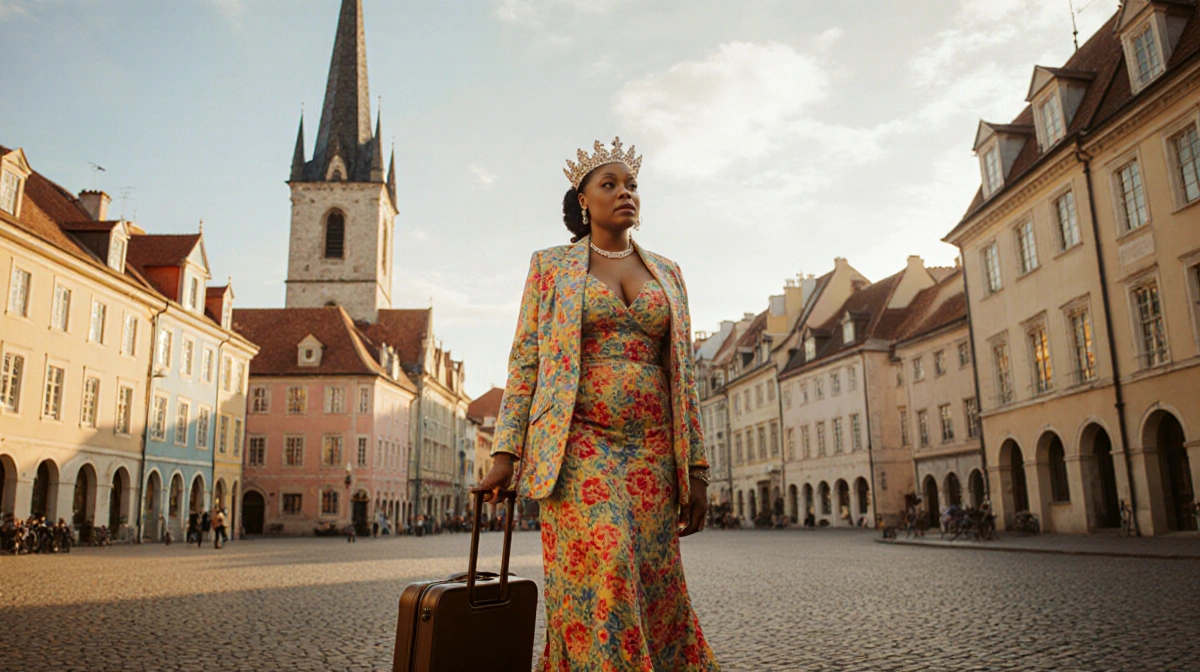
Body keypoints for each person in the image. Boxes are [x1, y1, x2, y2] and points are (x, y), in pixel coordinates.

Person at [474, 138, 718, 670]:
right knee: (605, 565)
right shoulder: (550, 267)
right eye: (609, 184)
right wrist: (504, 455)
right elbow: (526, 364)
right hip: (578, 441)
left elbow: (686, 378)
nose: (624, 193)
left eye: (631, 185)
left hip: (653, 449)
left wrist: (696, 468)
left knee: (655, 581)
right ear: (583, 200)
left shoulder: (669, 273)